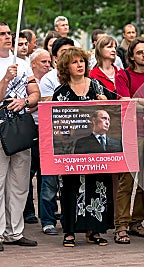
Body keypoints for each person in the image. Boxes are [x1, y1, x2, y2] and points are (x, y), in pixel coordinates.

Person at [52, 47, 113, 247]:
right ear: (65, 67)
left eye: (82, 62)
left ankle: (93, 230)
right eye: (74, 62)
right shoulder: (61, 92)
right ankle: (69, 232)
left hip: (96, 152)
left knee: (97, 188)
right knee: (70, 189)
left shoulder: (96, 86)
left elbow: (116, 103)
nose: (79, 65)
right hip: (71, 153)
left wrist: (106, 101)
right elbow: (55, 123)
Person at [114, 38, 144, 244]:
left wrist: (138, 101)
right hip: (131, 133)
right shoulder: (122, 75)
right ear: (131, 56)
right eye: (140, 52)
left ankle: (136, 222)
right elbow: (124, 102)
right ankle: (121, 225)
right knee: (127, 181)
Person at [0, 21, 40, 251]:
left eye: (9, 33)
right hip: (0, 127)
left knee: (20, 182)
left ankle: (14, 232)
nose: (7, 37)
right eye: (2, 34)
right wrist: (5, 79)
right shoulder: (9, 67)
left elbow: (35, 92)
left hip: (20, 127)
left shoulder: (23, 63)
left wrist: (25, 101)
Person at [39, 37, 74, 235]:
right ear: (54, 58)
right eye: (64, 53)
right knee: (50, 182)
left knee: (71, 182)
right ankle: (48, 219)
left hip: (75, 138)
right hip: (53, 136)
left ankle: (71, 219)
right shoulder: (49, 79)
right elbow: (47, 106)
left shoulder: (81, 78)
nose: (70, 58)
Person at [22, 48, 52, 226]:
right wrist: (38, 101)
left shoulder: (51, 79)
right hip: (30, 128)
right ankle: (28, 211)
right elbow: (26, 104)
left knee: (45, 173)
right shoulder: (27, 79)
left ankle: (46, 212)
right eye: (43, 62)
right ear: (33, 63)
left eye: (49, 61)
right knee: (27, 173)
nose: (48, 65)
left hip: (46, 129)